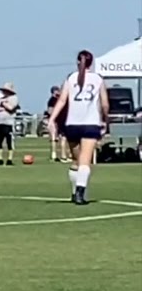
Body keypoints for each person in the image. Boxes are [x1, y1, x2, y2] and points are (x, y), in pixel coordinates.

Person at [45, 50, 110, 205]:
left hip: (72, 124)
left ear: (77, 62)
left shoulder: (71, 78)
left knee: (75, 160)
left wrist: (51, 119)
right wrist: (105, 120)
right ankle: (80, 193)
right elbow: (105, 104)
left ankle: (74, 192)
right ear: (91, 63)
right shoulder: (98, 79)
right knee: (85, 161)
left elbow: (61, 101)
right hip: (90, 123)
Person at [0, 83, 20, 166]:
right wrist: (1, 105)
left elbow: (10, 108)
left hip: (9, 123)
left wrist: (2, 104)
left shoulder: (14, 98)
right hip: (0, 122)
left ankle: (9, 159)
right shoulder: (2, 99)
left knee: (9, 141)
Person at [45, 85, 70, 162]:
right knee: (54, 138)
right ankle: (54, 154)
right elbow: (50, 111)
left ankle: (63, 155)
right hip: (54, 121)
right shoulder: (52, 100)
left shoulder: (61, 99)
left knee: (62, 138)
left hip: (61, 121)